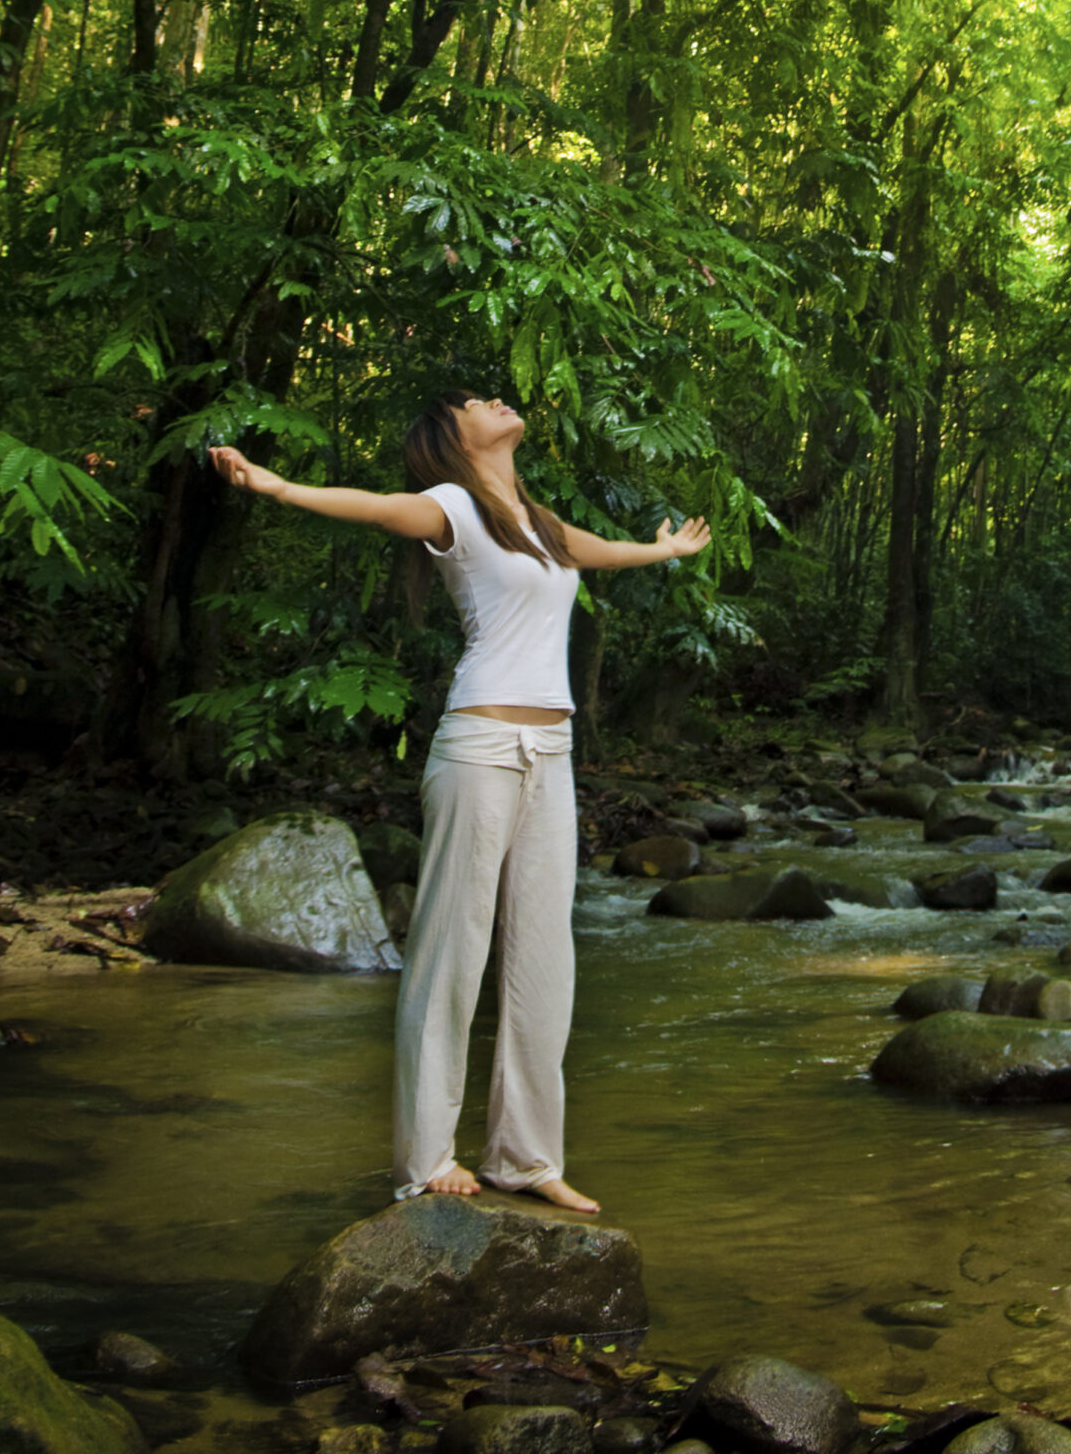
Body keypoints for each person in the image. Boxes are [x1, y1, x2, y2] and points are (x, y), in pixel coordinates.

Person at [209, 389, 710, 1215]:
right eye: (476, 402)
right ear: (453, 436)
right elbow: (376, 509)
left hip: (551, 751)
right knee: (452, 952)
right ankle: (426, 1156)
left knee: (544, 958)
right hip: (479, 746)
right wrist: (278, 488)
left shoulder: (536, 521)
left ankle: (525, 1156)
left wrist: (660, 553)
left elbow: (591, 552)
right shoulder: (450, 507)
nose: (497, 399)